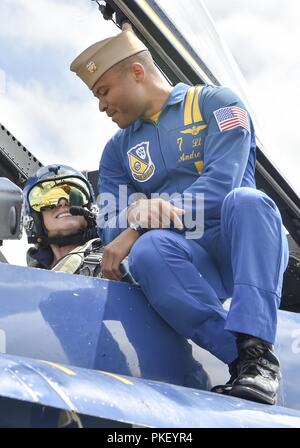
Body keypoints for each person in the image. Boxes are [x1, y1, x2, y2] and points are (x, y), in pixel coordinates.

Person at [70, 24, 289, 405]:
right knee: (149, 251)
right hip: (184, 259)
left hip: (239, 246)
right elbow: (111, 229)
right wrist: (139, 222)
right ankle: (250, 361)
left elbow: (223, 185)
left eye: (103, 92)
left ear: (137, 73)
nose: (101, 106)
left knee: (249, 201)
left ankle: (256, 342)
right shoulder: (117, 151)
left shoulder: (217, 104)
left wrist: (146, 216)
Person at [23, 164, 105, 277]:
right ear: (34, 217)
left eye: (75, 197)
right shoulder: (28, 279)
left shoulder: (115, 259)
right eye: (48, 201)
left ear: (90, 209)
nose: (63, 203)